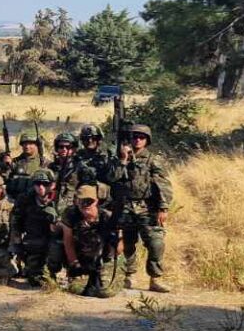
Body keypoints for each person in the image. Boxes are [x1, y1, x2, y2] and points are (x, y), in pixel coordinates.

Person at [106, 123, 174, 292]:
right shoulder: (120, 157)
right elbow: (111, 178)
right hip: (125, 206)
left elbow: (163, 185)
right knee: (128, 243)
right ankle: (129, 275)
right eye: (134, 137)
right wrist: (122, 160)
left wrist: (163, 208)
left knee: (156, 242)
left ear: (147, 140)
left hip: (146, 206)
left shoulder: (152, 160)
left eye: (141, 137)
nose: (137, 140)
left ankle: (155, 278)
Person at [60, 184, 120, 297]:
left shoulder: (107, 217)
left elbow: (119, 248)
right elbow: (68, 241)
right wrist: (74, 264)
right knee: (77, 289)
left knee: (105, 292)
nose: (85, 205)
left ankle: (98, 277)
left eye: (89, 201)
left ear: (96, 201)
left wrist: (117, 239)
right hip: (80, 258)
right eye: (81, 201)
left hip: (101, 260)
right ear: (76, 201)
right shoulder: (71, 214)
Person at [10, 168, 59, 286]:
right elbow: (16, 222)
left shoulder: (60, 199)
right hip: (34, 241)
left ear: (52, 185)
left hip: (56, 240)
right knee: (36, 281)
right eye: (37, 183)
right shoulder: (25, 199)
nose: (41, 187)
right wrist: (17, 244)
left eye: (45, 184)